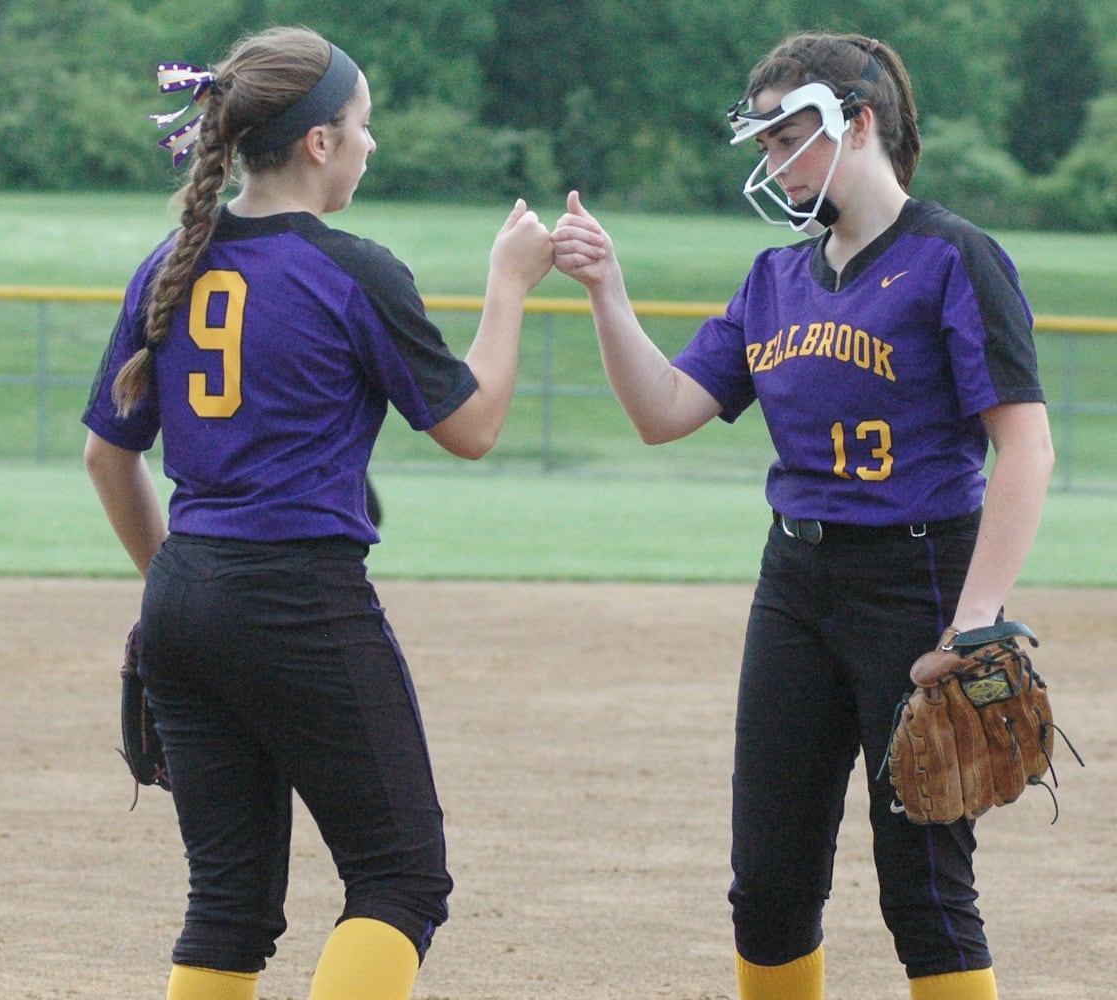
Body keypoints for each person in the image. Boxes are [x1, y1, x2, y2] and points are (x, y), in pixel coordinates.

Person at [551, 31, 1053, 1000]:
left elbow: (1022, 443)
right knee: (769, 882)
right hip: (793, 584)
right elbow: (663, 413)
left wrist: (977, 613)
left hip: (917, 581)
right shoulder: (771, 278)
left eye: (785, 135)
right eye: (762, 141)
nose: (769, 160)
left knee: (923, 884)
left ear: (857, 123)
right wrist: (605, 292)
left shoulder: (953, 257)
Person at [82, 26, 552, 1000]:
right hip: (298, 596)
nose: (371, 144)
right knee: (399, 878)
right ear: (318, 143)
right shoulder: (350, 270)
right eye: (361, 124)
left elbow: (108, 455)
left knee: (228, 903)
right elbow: (471, 427)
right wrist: (508, 285)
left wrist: (176, 583)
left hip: (182, 591)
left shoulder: (171, 263)